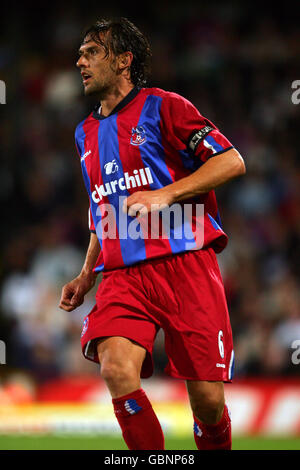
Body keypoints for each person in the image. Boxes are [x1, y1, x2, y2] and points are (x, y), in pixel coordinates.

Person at [59, 17, 246, 450]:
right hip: (123, 275)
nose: (79, 61)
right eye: (80, 53)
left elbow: (231, 161)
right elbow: (101, 206)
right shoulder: (83, 132)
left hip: (187, 265)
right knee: (115, 369)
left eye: (92, 52)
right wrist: (87, 272)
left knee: (207, 402)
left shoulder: (165, 106)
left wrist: (166, 194)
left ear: (124, 60)